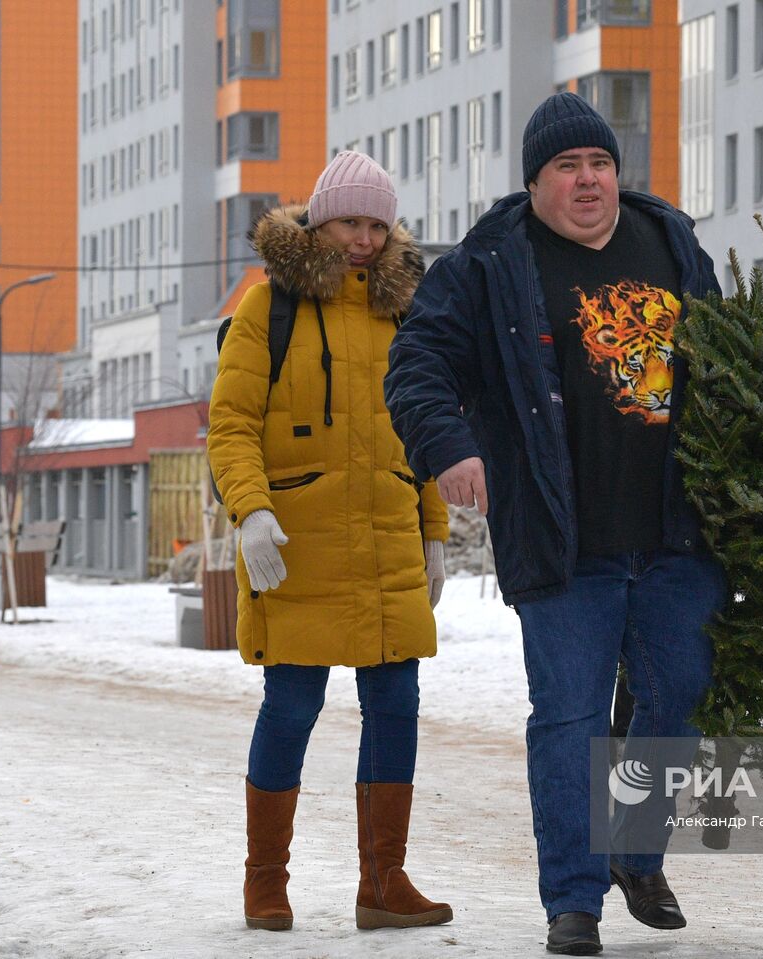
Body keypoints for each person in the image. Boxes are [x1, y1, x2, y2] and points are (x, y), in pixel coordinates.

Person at [386, 92, 726, 955]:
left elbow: (731, 363)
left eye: (599, 165)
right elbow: (417, 361)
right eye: (567, 167)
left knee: (675, 697)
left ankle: (634, 853)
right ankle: (572, 900)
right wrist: (451, 446)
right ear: (535, 181)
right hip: (564, 538)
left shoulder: (672, 242)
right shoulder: (488, 263)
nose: (587, 181)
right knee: (570, 716)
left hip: (677, 532)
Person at [207, 151, 453, 934]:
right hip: (298, 545)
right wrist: (249, 512)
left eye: (379, 224)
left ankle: (384, 883)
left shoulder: (405, 313)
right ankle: (264, 882)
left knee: (396, 706)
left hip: (387, 543)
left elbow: (421, 427)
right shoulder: (267, 308)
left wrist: (435, 533)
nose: (365, 238)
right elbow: (233, 425)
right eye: (353, 220)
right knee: (291, 706)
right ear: (320, 220)